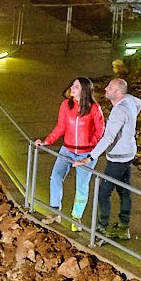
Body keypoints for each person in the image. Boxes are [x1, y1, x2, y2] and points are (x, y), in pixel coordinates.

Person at [75, 76, 141, 241]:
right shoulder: (130, 100)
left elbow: (108, 137)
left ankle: (101, 229)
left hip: (118, 157)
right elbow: (140, 103)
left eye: (110, 88)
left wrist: (90, 157)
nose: (105, 89)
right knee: (124, 189)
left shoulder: (118, 111)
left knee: (104, 192)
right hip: (129, 153)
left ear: (118, 92)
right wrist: (129, 128)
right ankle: (123, 226)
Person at [42, 76, 104, 228]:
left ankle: (76, 218)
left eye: (76, 86)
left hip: (86, 154)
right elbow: (60, 127)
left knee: (81, 187)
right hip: (67, 149)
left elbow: (100, 131)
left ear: (84, 91)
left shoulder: (94, 109)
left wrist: (90, 145)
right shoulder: (66, 105)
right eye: (72, 85)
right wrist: (47, 141)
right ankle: (55, 211)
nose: (72, 88)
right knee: (56, 176)